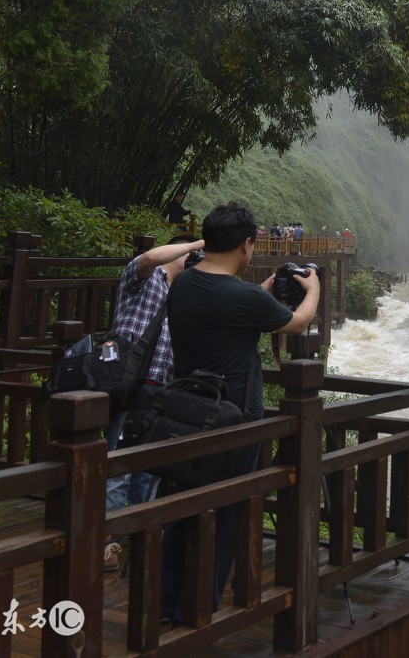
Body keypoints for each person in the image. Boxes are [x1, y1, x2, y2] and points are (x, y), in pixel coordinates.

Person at [159, 202, 319, 622]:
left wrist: (260, 294)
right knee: (225, 511)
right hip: (233, 421)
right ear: (247, 244)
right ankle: (199, 608)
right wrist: (314, 288)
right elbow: (298, 323)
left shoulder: (184, 283)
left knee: (182, 506)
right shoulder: (242, 297)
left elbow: (225, 311)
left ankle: (165, 602)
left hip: (185, 412)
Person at [103, 233, 205, 572]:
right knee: (118, 464)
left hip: (159, 392)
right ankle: (108, 543)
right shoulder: (145, 280)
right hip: (128, 387)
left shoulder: (184, 295)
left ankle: (140, 534)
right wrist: (196, 243)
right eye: (191, 254)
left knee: (147, 469)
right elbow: (148, 258)